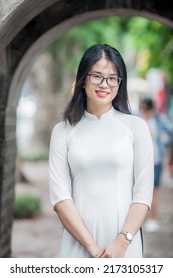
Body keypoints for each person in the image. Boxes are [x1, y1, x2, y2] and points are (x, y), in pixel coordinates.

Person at [49, 44, 154, 258]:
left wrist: (122, 243)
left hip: (124, 244)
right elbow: (60, 199)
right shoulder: (63, 131)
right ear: (82, 79)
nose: (104, 84)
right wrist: (92, 248)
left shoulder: (136, 128)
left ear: (119, 83)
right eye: (96, 76)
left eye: (112, 78)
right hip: (78, 242)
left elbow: (143, 195)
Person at [139, 97, 173, 232]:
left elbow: (171, 132)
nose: (143, 112)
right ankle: (141, 220)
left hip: (156, 160)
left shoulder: (159, 120)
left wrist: (163, 142)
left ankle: (152, 219)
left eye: (145, 110)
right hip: (141, 161)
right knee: (141, 191)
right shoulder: (138, 119)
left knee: (155, 192)